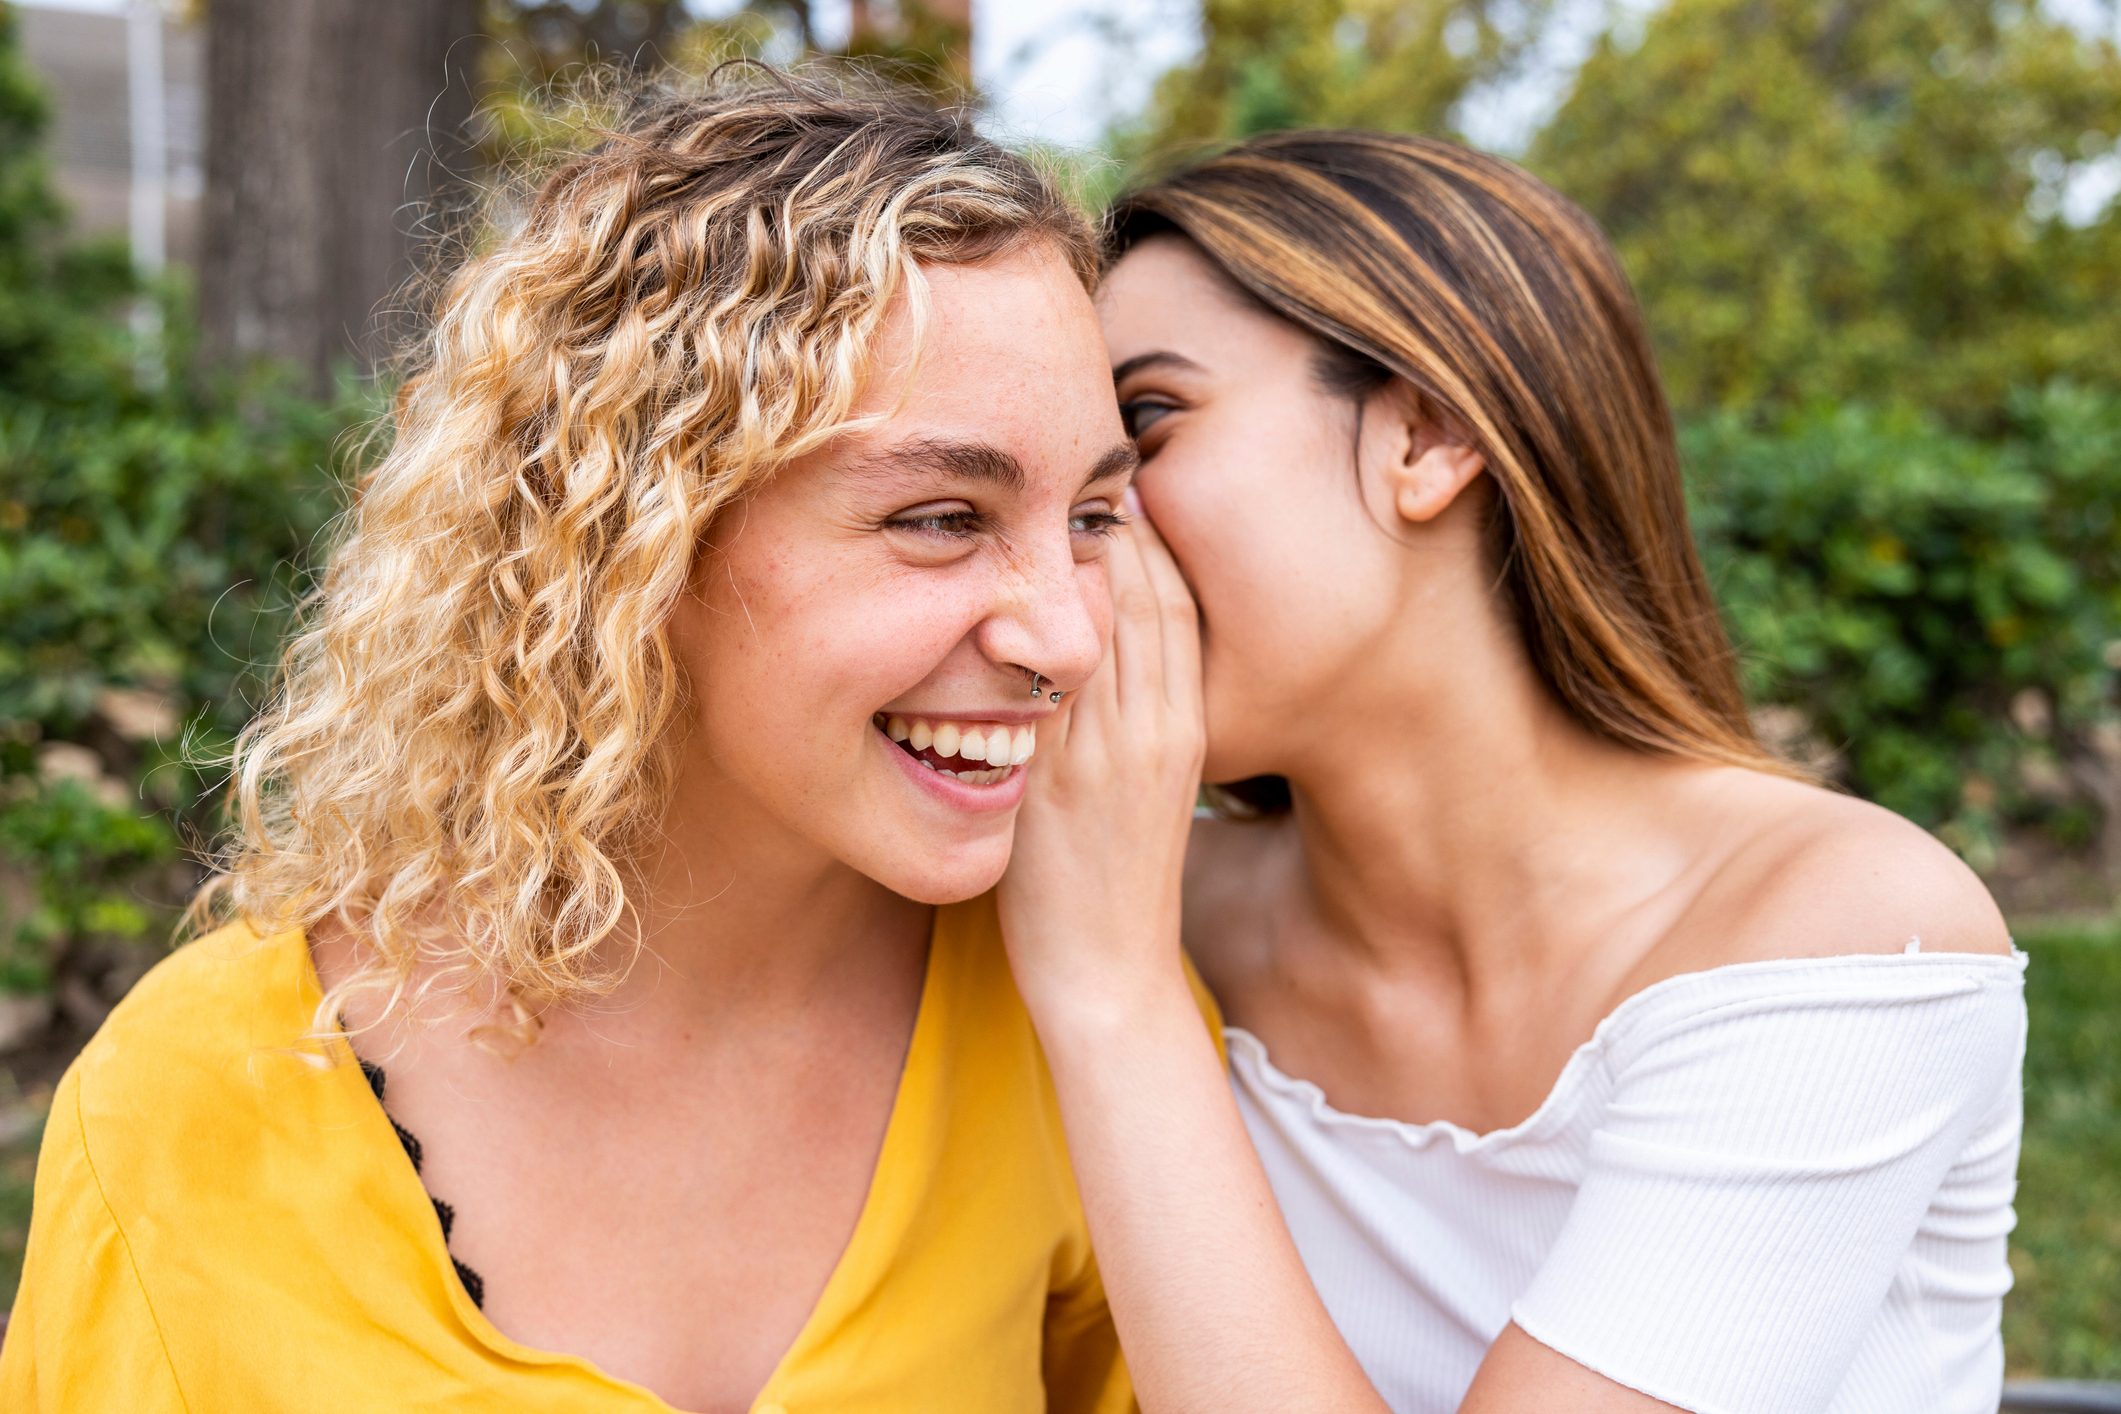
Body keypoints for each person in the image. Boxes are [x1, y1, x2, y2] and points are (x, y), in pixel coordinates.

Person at [2, 70, 1180, 1413]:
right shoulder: (188, 1110)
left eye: (1094, 516)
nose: (1068, 639)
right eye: (940, 517)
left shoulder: (1082, 1022)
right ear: (637, 537)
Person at [998, 130, 2027, 1414]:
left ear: (1425, 434)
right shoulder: (1138, 901)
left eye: (1144, 426)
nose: (1086, 533)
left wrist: (1116, 1002)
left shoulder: (1841, 928)